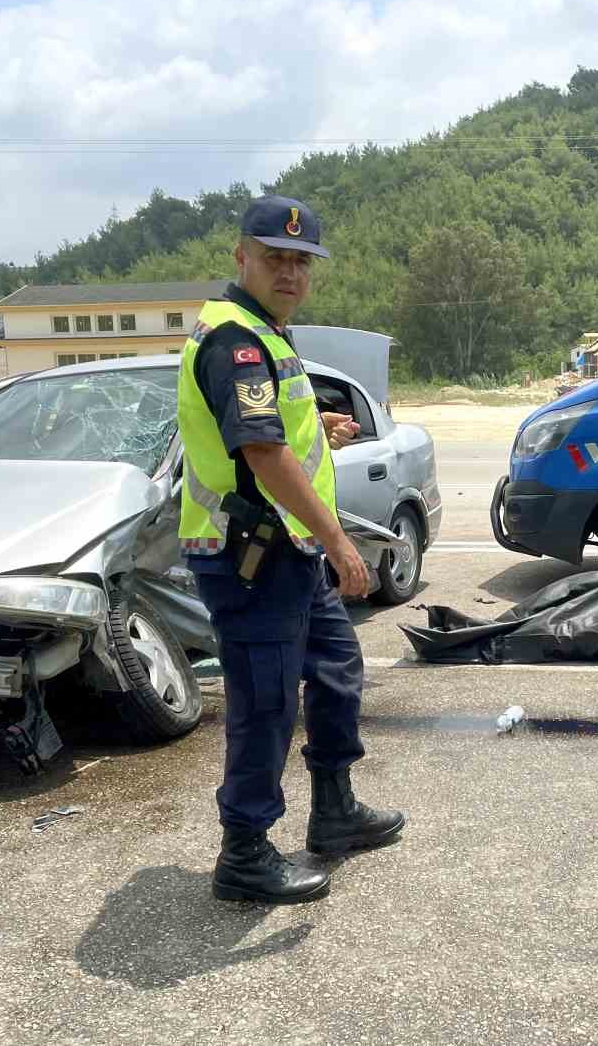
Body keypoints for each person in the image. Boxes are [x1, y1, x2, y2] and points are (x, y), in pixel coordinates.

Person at [177, 194, 405, 904]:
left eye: (302, 261)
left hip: (289, 551)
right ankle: (243, 853)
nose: (290, 272)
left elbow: (277, 440)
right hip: (250, 556)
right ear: (240, 254)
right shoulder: (234, 341)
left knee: (337, 672)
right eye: (275, 257)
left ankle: (333, 811)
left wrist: (321, 433)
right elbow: (261, 452)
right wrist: (340, 543)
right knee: (265, 702)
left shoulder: (270, 335)